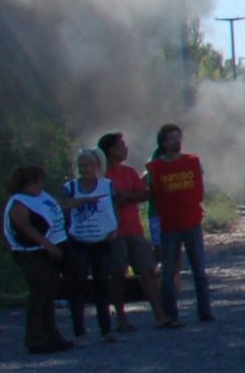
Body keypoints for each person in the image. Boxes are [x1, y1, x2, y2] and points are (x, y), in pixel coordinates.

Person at [145, 123, 213, 326]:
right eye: (172, 138)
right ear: (163, 143)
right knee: (168, 273)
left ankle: (205, 311)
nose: (177, 142)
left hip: (191, 222)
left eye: (178, 137)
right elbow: (154, 196)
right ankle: (170, 315)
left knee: (199, 270)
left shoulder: (192, 162)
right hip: (169, 226)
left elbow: (199, 189)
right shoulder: (156, 167)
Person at [3, 164, 73, 354]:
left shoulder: (40, 198)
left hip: (46, 251)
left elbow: (59, 206)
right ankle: (35, 338)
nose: (41, 185)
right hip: (30, 252)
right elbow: (25, 227)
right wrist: (48, 245)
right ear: (28, 183)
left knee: (49, 294)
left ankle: (51, 334)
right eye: (38, 182)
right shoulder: (19, 202)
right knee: (38, 294)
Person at [61, 146, 122, 343]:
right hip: (78, 240)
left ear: (96, 166)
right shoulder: (70, 187)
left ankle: (106, 329)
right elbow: (62, 207)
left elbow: (113, 208)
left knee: (102, 285)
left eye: (86, 165)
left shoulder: (107, 185)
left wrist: (114, 228)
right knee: (78, 285)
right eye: (80, 166)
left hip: (102, 240)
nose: (83, 169)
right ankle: (79, 332)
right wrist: (84, 200)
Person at [98, 131, 157, 330]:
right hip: (113, 233)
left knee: (148, 271)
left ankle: (160, 315)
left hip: (134, 230)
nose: (126, 148)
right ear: (111, 150)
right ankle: (121, 319)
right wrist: (126, 197)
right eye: (122, 145)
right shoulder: (100, 175)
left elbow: (146, 193)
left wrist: (125, 197)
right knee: (117, 275)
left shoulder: (129, 172)